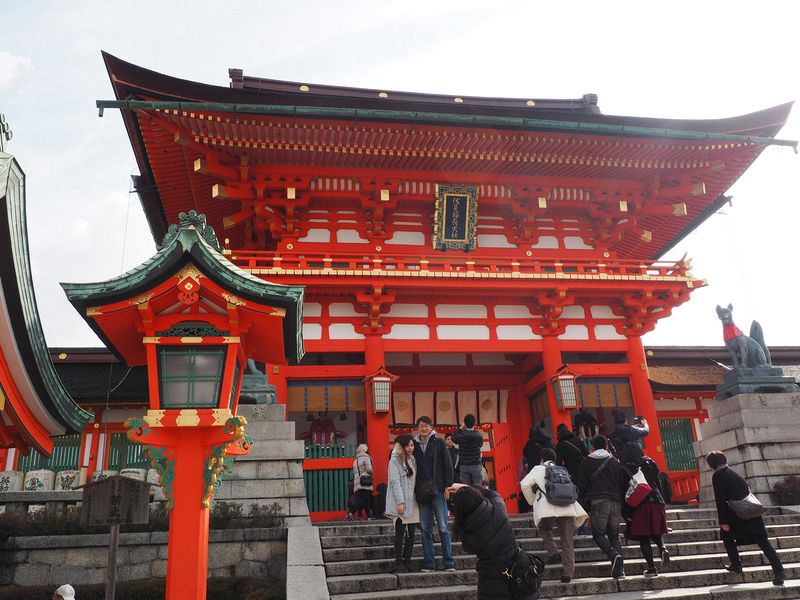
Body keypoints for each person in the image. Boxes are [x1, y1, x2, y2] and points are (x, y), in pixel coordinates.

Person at [706, 450, 785, 586]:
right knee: (764, 543)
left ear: (712, 464)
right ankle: (779, 571)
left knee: (726, 536)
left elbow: (721, 499)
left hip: (737, 514)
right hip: (752, 512)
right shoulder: (733, 473)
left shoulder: (718, 476)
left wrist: (723, 521)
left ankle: (736, 564)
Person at [447, 483, 536, 600]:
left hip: (490, 584)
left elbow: (467, 547)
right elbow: (492, 493)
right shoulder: (498, 508)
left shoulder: (468, 534)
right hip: (518, 571)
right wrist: (466, 487)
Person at [520, 447, 588, 583]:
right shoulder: (562, 469)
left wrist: (532, 499)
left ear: (541, 460)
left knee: (543, 528)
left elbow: (524, 484)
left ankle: (553, 552)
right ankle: (568, 573)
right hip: (567, 506)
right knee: (567, 541)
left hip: (548, 508)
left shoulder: (538, 469)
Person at [577, 434, 628, 579]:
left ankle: (613, 554)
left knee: (598, 535)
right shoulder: (615, 462)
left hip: (598, 501)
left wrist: (586, 504)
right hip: (616, 502)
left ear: (592, 447)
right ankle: (620, 570)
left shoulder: (587, 462)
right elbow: (621, 483)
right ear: (606, 446)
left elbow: (582, 485)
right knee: (614, 536)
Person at [413, 415, 455, 572]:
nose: (423, 428)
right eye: (421, 425)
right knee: (425, 528)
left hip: (437, 490)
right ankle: (429, 563)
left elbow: (447, 465)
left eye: (426, 425)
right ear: (418, 428)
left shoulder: (439, 443)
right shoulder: (414, 445)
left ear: (431, 427)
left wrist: (447, 486)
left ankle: (449, 562)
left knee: (443, 527)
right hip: (422, 492)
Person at [623, 456, 670, 577]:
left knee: (644, 538)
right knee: (657, 532)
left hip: (643, 504)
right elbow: (660, 488)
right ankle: (663, 548)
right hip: (658, 503)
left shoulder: (633, 470)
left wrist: (627, 513)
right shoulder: (653, 470)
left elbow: (628, 490)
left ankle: (651, 568)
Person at [385, 434, 419, 573]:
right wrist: (400, 502)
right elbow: (395, 482)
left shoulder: (413, 459)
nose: (410, 448)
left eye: (412, 445)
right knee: (400, 532)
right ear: (402, 446)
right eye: (408, 445)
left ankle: (408, 560)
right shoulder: (394, 460)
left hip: (413, 501)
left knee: (411, 533)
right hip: (400, 501)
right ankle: (398, 562)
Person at [453, 413, 484, 487]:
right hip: (475, 465)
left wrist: (460, 428)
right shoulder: (478, 435)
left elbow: (453, 438)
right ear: (474, 423)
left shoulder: (461, 435)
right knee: (478, 487)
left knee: (467, 489)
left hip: (464, 466)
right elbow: (480, 444)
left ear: (465, 424)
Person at [348, 443, 373, 520]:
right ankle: (351, 512)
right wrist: (372, 472)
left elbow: (354, 472)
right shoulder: (366, 458)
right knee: (364, 501)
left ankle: (369, 517)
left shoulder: (355, 460)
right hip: (365, 482)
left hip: (358, 482)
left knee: (363, 500)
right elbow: (369, 469)